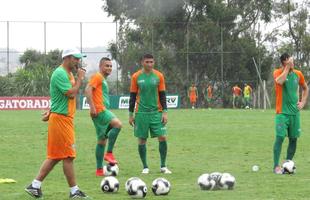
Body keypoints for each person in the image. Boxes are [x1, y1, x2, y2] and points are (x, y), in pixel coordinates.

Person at [25, 48, 89, 198]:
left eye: (79, 58)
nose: (78, 61)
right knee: (68, 156)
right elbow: (71, 94)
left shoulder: (68, 73)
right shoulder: (60, 73)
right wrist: (80, 79)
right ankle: (74, 191)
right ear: (67, 58)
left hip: (62, 118)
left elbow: (59, 96)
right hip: (61, 119)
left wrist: (51, 109)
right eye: (76, 58)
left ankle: (35, 185)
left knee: (56, 156)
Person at [129, 53, 171, 174]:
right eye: (147, 62)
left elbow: (163, 95)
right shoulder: (136, 76)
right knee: (142, 140)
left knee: (162, 137)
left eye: (151, 62)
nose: (149, 64)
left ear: (154, 63)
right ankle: (145, 167)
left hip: (156, 112)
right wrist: (131, 115)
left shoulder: (159, 76)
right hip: (141, 113)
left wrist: (165, 112)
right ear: (142, 62)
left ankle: (163, 166)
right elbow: (132, 97)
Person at [85, 57, 122, 176]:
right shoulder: (98, 77)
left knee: (101, 140)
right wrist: (92, 107)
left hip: (100, 110)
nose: (109, 68)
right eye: (107, 65)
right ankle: (109, 153)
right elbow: (87, 90)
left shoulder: (102, 79)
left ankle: (99, 170)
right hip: (100, 110)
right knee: (117, 124)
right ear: (100, 66)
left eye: (111, 66)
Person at [273, 53, 308, 174]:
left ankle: (288, 163)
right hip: (282, 113)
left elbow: (305, 88)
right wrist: (287, 68)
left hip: (295, 113)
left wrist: (303, 102)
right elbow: (280, 81)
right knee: (280, 137)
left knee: (294, 139)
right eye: (290, 61)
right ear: (284, 62)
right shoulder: (277, 72)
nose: (293, 62)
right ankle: (276, 166)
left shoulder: (298, 74)